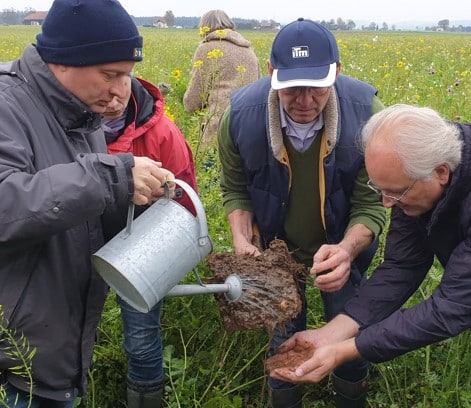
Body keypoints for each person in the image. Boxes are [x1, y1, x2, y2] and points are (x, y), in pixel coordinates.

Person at [0, 1, 176, 406]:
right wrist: (110, 177)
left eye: (127, 75)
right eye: (109, 74)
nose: (120, 90)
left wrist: (139, 204)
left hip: (58, 358)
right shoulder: (8, 104)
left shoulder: (81, 116)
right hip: (12, 368)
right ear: (62, 61)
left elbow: (74, 216)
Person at [217, 17, 387, 408]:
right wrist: (243, 241)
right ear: (273, 73)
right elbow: (236, 190)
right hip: (277, 253)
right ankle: (285, 397)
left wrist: (345, 251)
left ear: (337, 73)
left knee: (346, 334)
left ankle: (350, 395)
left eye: (317, 88)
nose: (305, 101)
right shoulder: (240, 116)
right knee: (284, 338)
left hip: (341, 247)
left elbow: (371, 203)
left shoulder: (368, 113)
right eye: (292, 89)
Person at [268, 104, 471, 384]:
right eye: (380, 190)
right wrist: (332, 334)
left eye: (396, 193)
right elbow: (403, 265)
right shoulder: (413, 176)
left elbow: (453, 305)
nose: (387, 205)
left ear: (441, 172)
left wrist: (350, 349)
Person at [101, 75, 198, 408]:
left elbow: (186, 198)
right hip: (73, 241)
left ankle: (145, 399)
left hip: (141, 249)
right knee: (66, 329)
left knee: (141, 338)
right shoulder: (61, 125)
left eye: (119, 79)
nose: (112, 96)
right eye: (102, 78)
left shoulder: (161, 132)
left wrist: (162, 198)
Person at [183, 9, 261, 144]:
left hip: (220, 129)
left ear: (204, 27)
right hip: (251, 129)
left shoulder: (207, 48)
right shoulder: (248, 50)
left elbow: (193, 101)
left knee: (210, 163)